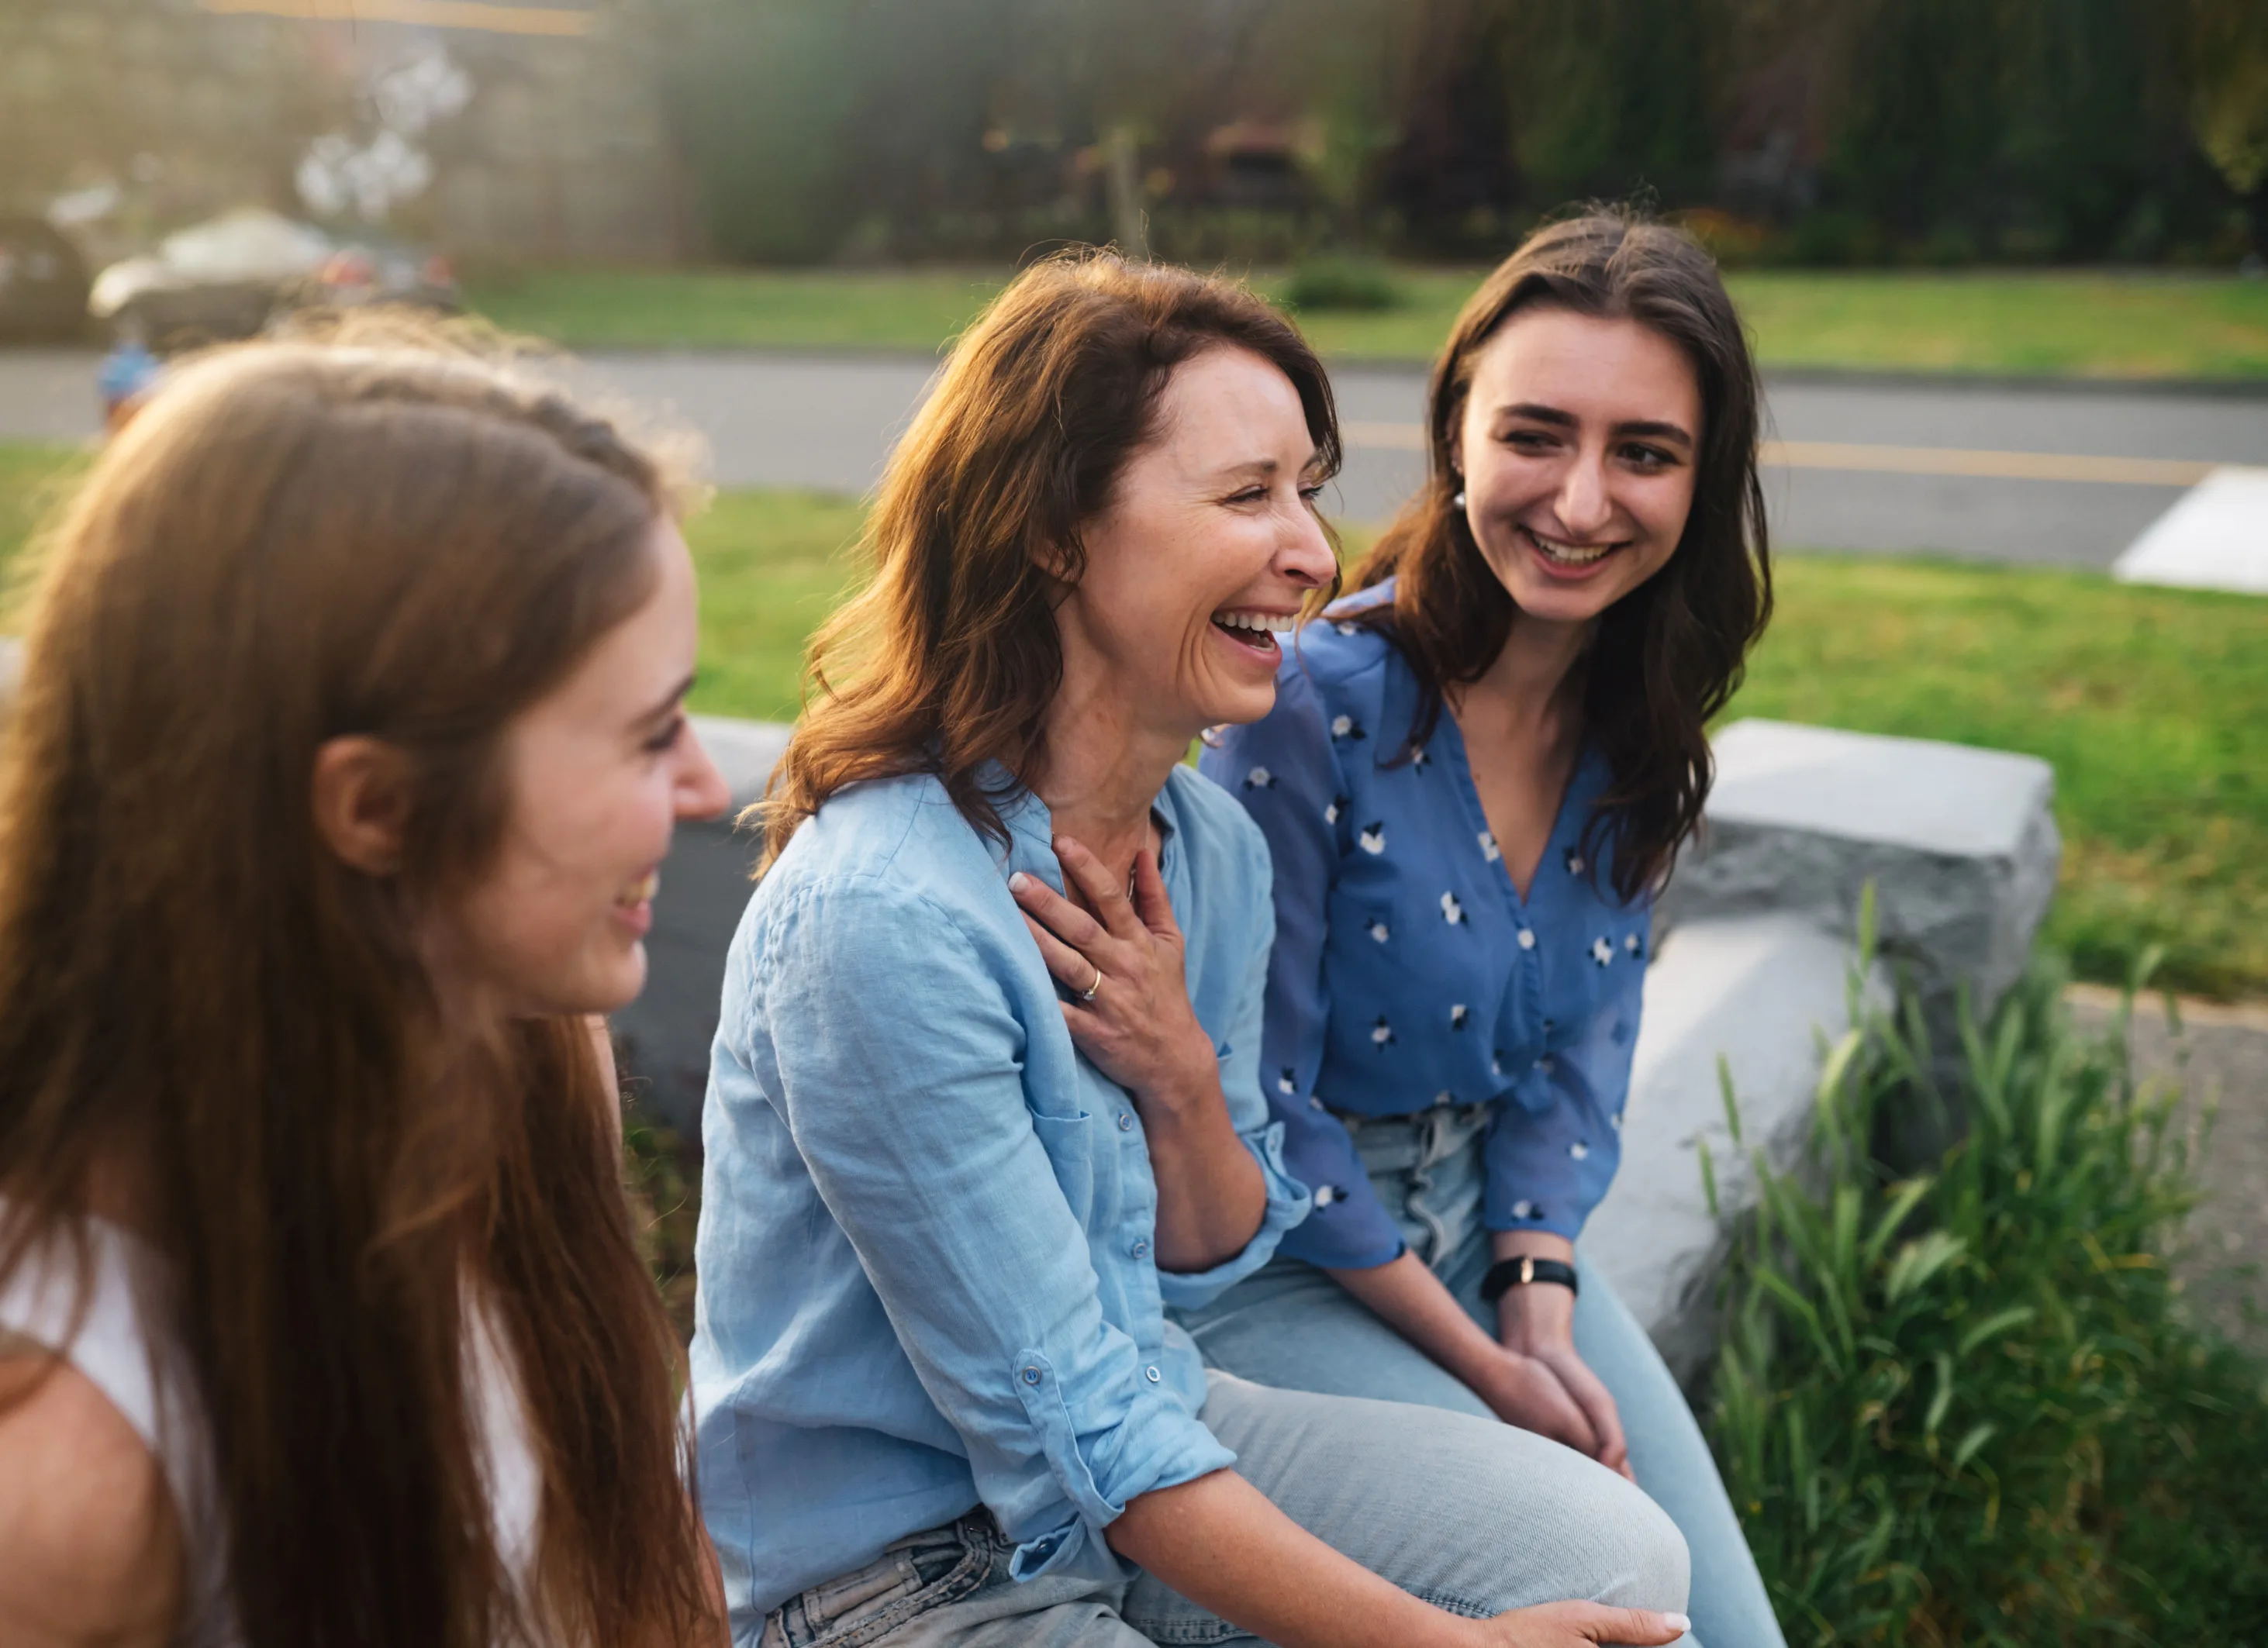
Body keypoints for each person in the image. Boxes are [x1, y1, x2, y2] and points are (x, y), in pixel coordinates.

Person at [692, 250, 1695, 1648]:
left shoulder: (1206, 849)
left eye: (1307, 488)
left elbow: (1207, 1256)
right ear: (1053, 528)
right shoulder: (885, 914)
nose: (1313, 553)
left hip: (1151, 1434)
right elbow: (1068, 1420)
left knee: (1622, 1555)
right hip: (917, 1579)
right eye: (1246, 495)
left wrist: (1174, 1072)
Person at [0, 336, 734, 1648]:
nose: (706, 789)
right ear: (378, 808)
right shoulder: (67, 1470)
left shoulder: (526, 1051)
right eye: (646, 731)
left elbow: (650, 1563)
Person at [1187, 212, 1788, 1648]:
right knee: (1629, 1610)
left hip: (1490, 1241)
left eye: (1644, 451)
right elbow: (1254, 1097)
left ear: (1701, 485)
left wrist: (1535, 1289)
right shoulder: (1312, 704)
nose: (1581, 501)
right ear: (1457, 432)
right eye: (1536, 434)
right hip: (1283, 1266)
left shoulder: (1639, 729)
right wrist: (1481, 1360)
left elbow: (1582, 1058)